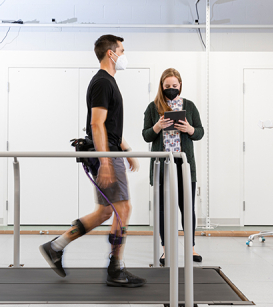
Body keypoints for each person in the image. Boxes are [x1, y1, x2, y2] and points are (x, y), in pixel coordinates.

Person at [39, 34, 146, 288]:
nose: (124, 55)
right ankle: (116, 269)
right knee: (123, 210)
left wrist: (126, 149)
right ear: (111, 53)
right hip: (105, 155)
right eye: (121, 50)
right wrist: (106, 162)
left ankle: (55, 246)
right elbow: (96, 124)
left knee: (106, 211)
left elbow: (109, 126)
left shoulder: (108, 82)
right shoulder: (102, 82)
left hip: (111, 151)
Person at [142, 68, 204, 265]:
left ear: (180, 86)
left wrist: (189, 129)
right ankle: (165, 250)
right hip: (162, 164)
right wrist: (157, 127)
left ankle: (191, 248)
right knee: (162, 209)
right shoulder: (153, 107)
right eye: (167, 86)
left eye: (174, 86)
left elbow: (200, 132)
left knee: (187, 208)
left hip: (184, 164)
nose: (171, 89)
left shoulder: (190, 106)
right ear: (162, 86)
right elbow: (146, 135)